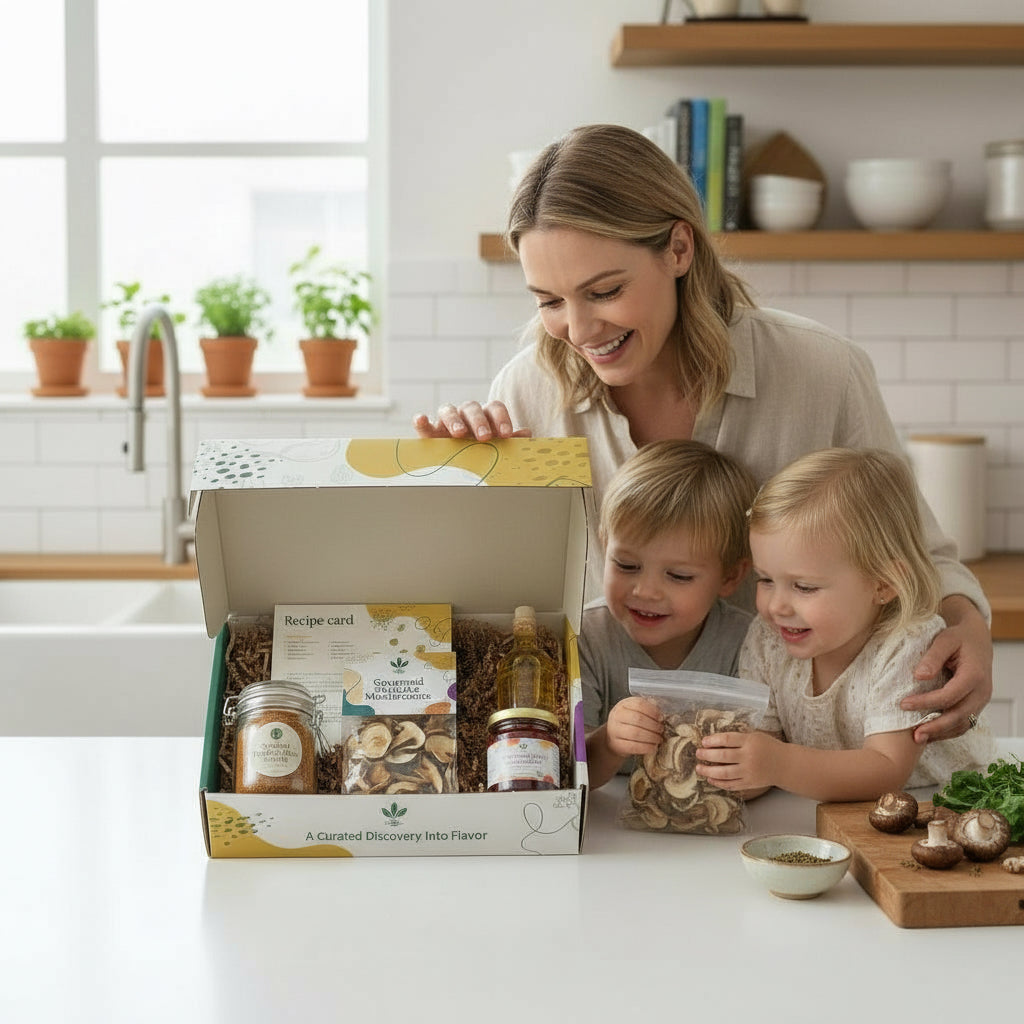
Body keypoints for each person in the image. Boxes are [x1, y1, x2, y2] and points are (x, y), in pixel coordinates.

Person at [413, 122, 992, 743]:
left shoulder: (821, 372)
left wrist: (970, 628)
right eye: (548, 301)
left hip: (806, 755)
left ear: (679, 249)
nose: (578, 330)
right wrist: (458, 475)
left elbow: (919, 556)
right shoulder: (528, 392)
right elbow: (496, 596)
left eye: (604, 291)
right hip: (610, 763)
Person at [696, 448, 994, 802]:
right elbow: (767, 744)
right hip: (825, 807)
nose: (775, 606)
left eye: (804, 587)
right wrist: (733, 772)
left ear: (882, 584)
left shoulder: (908, 645)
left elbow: (886, 769)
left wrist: (777, 764)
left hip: (937, 803)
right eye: (765, 580)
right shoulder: (767, 639)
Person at [581, 439, 757, 790]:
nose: (645, 591)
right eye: (627, 565)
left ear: (730, 576)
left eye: (679, 576)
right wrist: (609, 742)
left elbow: (759, 765)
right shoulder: (587, 637)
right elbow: (571, 770)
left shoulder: (747, 642)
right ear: (604, 545)